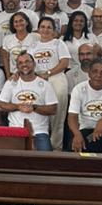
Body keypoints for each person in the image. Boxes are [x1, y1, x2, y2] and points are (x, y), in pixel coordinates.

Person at [0, 51, 57, 151]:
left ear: (34, 64)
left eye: (27, 61)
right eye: (20, 63)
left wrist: (34, 107)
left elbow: (53, 109)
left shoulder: (45, 84)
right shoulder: (11, 83)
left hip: (39, 132)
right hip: (15, 130)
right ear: (17, 67)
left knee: (46, 158)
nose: (24, 64)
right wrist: (18, 107)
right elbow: (1, 104)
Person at [27, 14, 71, 148]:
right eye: (42, 27)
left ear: (54, 30)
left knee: (58, 116)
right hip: (38, 79)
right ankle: (39, 145)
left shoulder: (59, 43)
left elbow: (64, 62)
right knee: (39, 112)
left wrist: (48, 73)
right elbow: (27, 64)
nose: (45, 30)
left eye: (49, 27)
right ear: (38, 29)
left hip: (56, 78)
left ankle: (56, 147)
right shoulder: (33, 46)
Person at [67, 56, 102, 153]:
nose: (98, 75)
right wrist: (77, 134)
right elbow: (72, 116)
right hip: (88, 132)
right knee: (74, 146)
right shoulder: (78, 89)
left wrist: (101, 122)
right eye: (95, 71)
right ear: (89, 73)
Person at [0, 10, 37, 77]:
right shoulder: (7, 39)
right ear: (13, 25)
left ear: (27, 22)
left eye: (21, 21)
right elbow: (5, 59)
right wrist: (8, 75)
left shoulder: (36, 37)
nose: (19, 23)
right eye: (16, 22)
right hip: (14, 75)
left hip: (32, 74)